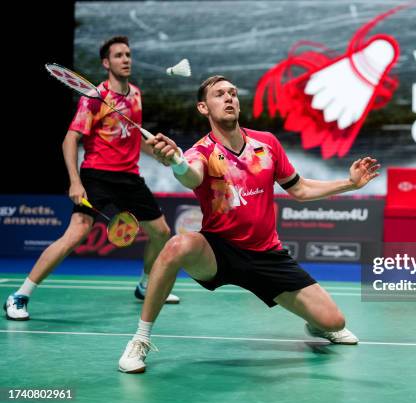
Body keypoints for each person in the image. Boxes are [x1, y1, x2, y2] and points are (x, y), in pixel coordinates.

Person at [118, 75, 380, 373]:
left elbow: (300, 189)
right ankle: (140, 339)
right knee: (177, 245)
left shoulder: (266, 144)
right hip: (220, 252)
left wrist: (349, 183)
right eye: (219, 94)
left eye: (232, 93)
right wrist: (176, 161)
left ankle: (318, 326)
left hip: (267, 254)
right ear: (204, 108)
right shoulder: (201, 151)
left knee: (335, 323)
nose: (229, 98)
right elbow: (192, 176)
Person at [4, 36, 180, 321]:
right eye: (119, 55)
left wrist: (158, 154)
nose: (126, 59)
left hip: (129, 177)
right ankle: (19, 296)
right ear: (106, 62)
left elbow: (133, 136)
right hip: (97, 175)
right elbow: (69, 140)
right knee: (75, 235)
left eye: (128, 54)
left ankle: (145, 286)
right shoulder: (94, 98)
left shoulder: (135, 94)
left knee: (161, 232)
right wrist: (75, 181)